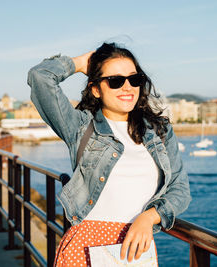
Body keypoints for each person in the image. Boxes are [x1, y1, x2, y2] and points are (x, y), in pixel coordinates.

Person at [27, 42, 191, 266]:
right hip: (85, 249)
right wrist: (78, 63)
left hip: (137, 250)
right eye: (115, 81)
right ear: (96, 89)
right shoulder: (81, 127)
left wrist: (150, 216)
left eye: (134, 79)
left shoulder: (159, 131)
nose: (127, 87)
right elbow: (40, 77)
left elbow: (180, 190)